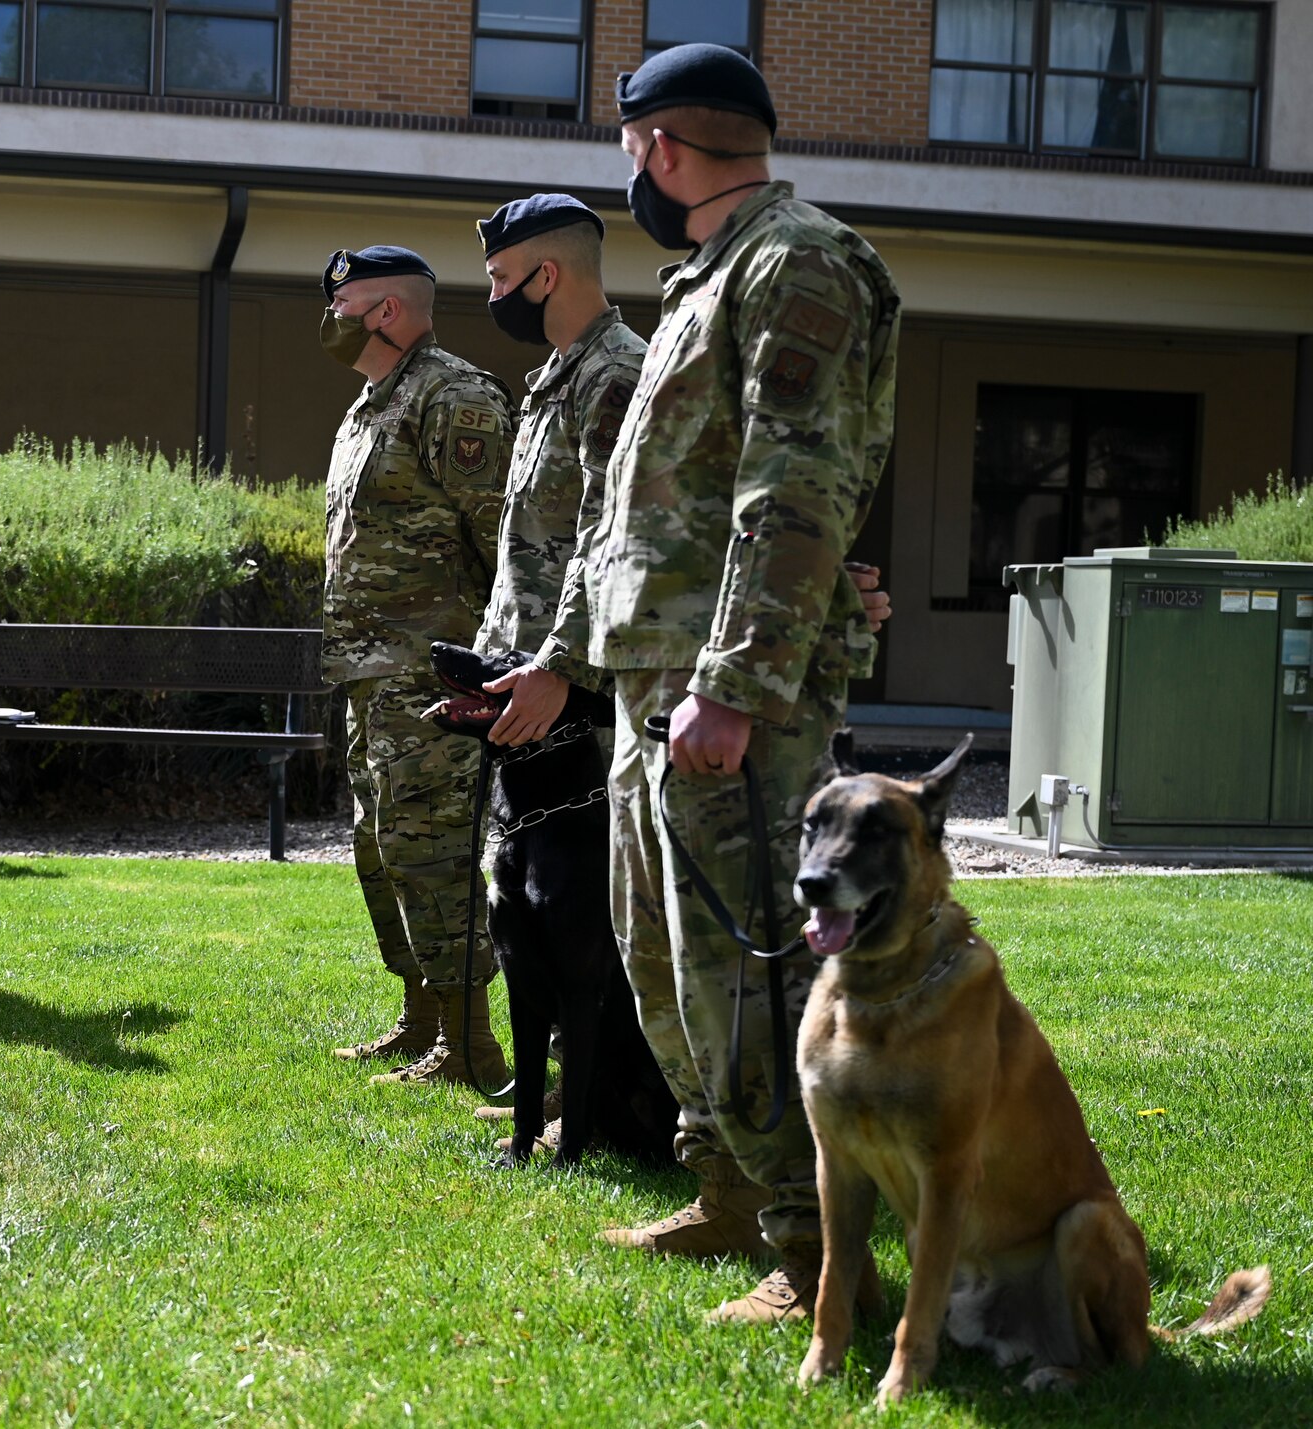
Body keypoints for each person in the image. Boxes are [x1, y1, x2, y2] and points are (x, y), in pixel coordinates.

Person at [577, 45, 901, 1323]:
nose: (632, 176)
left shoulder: (795, 260)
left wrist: (736, 679)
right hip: (649, 672)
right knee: (662, 957)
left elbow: (795, 483)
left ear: (656, 147)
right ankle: (727, 1190)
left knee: (745, 968)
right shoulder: (707, 274)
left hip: (719, 692)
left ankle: (824, 1249)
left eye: (630, 156)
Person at [470, 197, 892, 1144]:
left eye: (501, 279)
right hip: (569, 665)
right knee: (616, 922)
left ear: (545, 274)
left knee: (638, 925)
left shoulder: (621, 368)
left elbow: (656, 526)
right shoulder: (557, 377)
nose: (490, 296)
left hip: (593, 680)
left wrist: (559, 663)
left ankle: (667, 1126)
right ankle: (659, 1124)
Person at [319, 245, 513, 1089]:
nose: (327, 320)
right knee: (382, 846)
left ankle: (472, 1046)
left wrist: (495, 666)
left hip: (429, 676)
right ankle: (422, 1017)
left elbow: (509, 543)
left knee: (432, 851)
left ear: (387, 311)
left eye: (340, 303)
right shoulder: (369, 407)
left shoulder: (455, 397)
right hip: (369, 674)